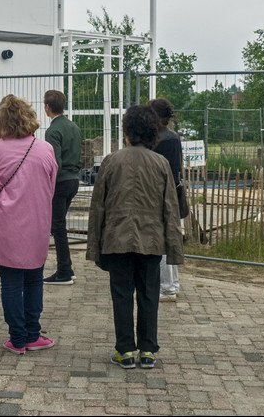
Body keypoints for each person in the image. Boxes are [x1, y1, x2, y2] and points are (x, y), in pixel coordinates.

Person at [86, 104, 183, 370]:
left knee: (121, 295)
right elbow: (170, 210)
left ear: (127, 132)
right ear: (153, 132)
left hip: (116, 239)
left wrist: (95, 247)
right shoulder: (161, 164)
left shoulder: (111, 161)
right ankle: (148, 350)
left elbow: (98, 207)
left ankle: (126, 350)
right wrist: (174, 248)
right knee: (149, 295)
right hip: (152, 241)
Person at [0, 95, 58, 353]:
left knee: (10, 281)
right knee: (34, 279)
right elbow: (51, 185)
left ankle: (17, 338)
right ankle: (33, 334)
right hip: (36, 222)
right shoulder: (45, 148)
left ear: (2, 120)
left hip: (5, 224)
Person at [43, 89, 83, 285]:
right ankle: (67, 267)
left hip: (59, 182)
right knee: (58, 226)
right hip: (74, 180)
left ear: (47, 107)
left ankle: (64, 271)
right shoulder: (74, 127)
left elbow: (54, 163)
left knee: (57, 227)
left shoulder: (52, 131)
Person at [148, 98, 185, 301]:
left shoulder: (161, 139)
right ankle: (172, 283)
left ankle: (167, 287)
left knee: (161, 240)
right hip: (169, 193)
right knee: (168, 237)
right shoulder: (171, 137)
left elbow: (165, 171)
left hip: (161, 195)